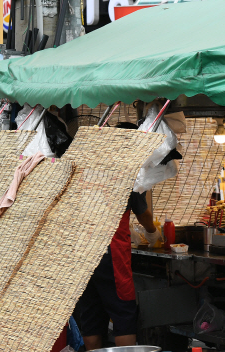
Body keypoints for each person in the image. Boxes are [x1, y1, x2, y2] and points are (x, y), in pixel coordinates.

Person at [78, 122, 161, 349]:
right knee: (123, 311)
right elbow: (143, 213)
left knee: (91, 314)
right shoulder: (126, 172)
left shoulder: (89, 167)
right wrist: (153, 233)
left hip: (81, 251)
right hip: (110, 252)